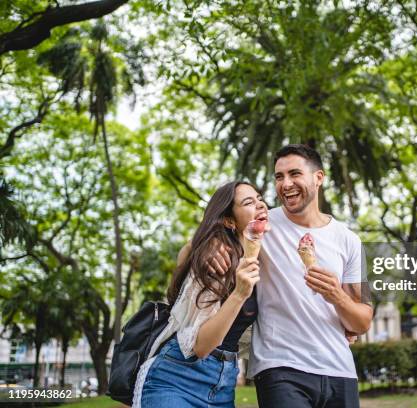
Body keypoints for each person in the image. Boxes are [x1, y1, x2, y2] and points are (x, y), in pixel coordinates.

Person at [210, 144, 373, 407]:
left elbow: (363, 321)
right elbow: (198, 246)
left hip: (340, 371)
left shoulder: (349, 240)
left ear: (318, 178)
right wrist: (214, 244)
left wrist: (336, 296)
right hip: (280, 368)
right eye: (279, 176)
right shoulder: (262, 225)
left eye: (295, 174)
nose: (286, 184)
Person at [132, 181, 268, 408]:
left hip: (224, 386)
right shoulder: (216, 260)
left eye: (260, 199)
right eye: (249, 202)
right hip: (177, 378)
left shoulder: (264, 255)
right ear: (229, 221)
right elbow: (201, 347)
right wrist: (238, 294)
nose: (261, 205)